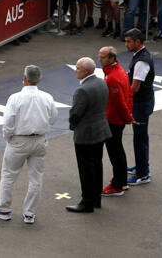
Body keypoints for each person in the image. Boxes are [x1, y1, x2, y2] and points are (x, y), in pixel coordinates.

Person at [0, 65, 57, 225]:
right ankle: (30, 213)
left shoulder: (15, 98)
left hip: (18, 140)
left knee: (9, 175)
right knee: (36, 178)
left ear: (24, 78)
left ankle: (4, 209)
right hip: (40, 140)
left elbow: (8, 123)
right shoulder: (47, 97)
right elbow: (53, 118)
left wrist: (9, 138)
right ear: (39, 79)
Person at [65, 57, 110, 213]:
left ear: (86, 71)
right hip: (100, 130)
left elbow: (75, 114)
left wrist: (73, 126)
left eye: (78, 68)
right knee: (97, 165)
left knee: (85, 169)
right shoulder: (101, 82)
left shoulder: (82, 90)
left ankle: (87, 202)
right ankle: (96, 198)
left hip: (86, 134)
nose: (75, 71)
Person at [98, 46, 133, 197]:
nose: (100, 59)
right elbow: (128, 95)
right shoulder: (120, 71)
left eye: (103, 57)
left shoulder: (112, 77)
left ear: (112, 59)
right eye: (99, 56)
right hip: (116, 118)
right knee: (118, 150)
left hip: (113, 120)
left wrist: (127, 117)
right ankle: (122, 181)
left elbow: (119, 102)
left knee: (115, 152)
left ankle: (117, 185)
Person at [124, 28, 154, 186]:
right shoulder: (140, 56)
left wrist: (123, 98)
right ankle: (141, 166)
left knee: (140, 139)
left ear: (138, 42)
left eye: (129, 41)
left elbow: (134, 88)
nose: (126, 44)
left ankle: (143, 174)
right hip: (143, 102)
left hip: (141, 104)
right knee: (140, 137)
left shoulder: (141, 61)